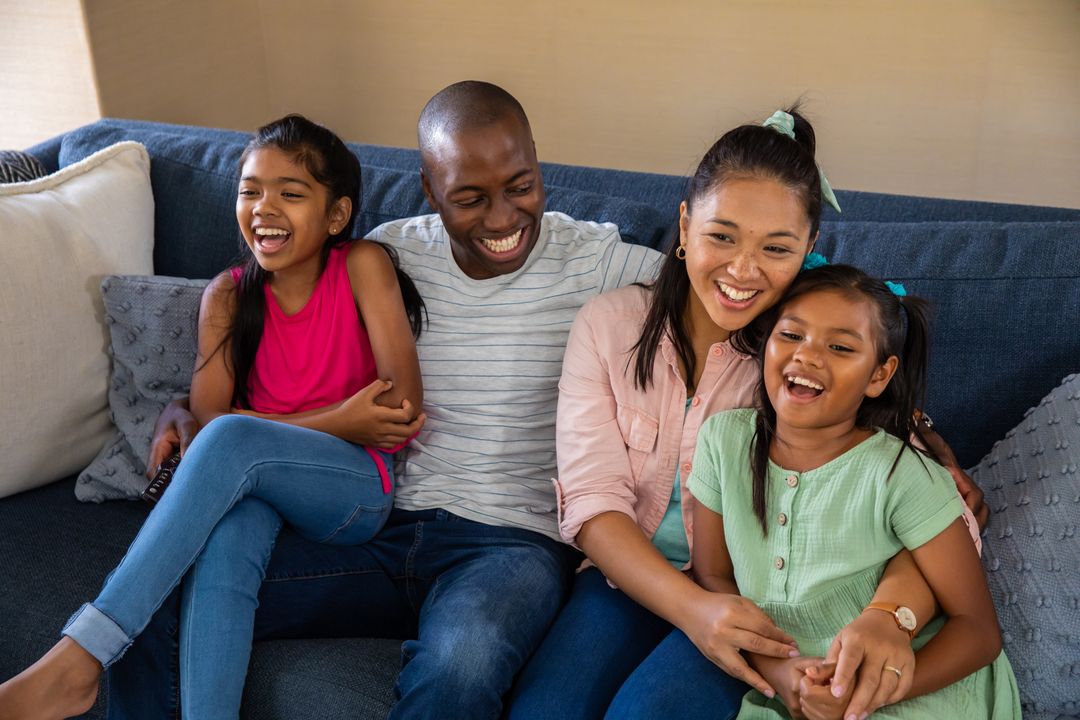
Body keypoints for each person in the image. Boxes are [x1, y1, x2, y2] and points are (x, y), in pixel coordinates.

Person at [102, 81, 664, 719]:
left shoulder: (596, 259)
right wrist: (184, 403)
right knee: (158, 604)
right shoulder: (389, 252)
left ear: (538, 164)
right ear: (430, 190)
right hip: (381, 523)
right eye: (470, 198)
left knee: (461, 664)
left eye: (522, 185)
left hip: (513, 544)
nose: (504, 217)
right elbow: (287, 315)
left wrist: (797, 267)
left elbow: (719, 279)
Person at [506, 109, 987, 720]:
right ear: (684, 226)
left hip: (757, 597)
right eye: (722, 236)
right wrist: (693, 610)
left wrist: (893, 605)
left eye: (776, 248)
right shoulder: (609, 326)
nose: (742, 270)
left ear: (809, 250)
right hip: (630, 578)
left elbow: (917, 505)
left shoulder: (799, 360)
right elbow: (593, 503)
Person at [0, 114, 426, 720]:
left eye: (291, 192)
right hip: (262, 487)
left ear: (335, 215)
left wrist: (307, 429)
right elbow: (207, 423)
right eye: (250, 190)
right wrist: (339, 417)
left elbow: (400, 409)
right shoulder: (227, 295)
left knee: (234, 443)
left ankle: (80, 658)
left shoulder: (360, 265)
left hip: (353, 489)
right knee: (229, 537)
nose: (263, 207)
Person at [690, 264, 1020, 718]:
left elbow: (978, 632)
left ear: (879, 376)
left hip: (917, 686)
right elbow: (715, 579)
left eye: (841, 347)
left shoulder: (900, 474)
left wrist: (869, 696)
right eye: (791, 335)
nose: (807, 356)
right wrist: (781, 676)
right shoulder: (722, 441)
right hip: (794, 691)